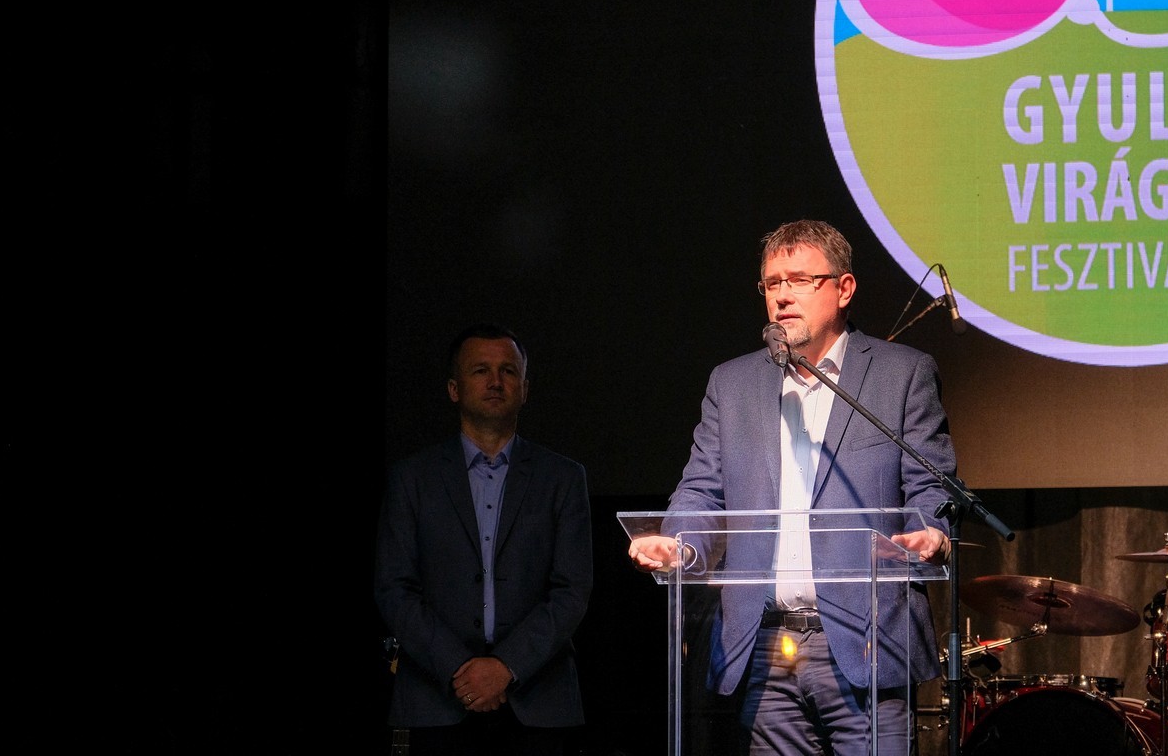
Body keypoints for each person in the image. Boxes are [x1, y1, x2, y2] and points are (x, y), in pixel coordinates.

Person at [628, 219, 955, 754]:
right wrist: (679, 543)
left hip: (867, 641)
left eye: (799, 280)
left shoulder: (901, 374)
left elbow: (932, 487)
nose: (781, 296)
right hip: (765, 648)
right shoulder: (732, 383)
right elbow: (701, 490)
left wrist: (931, 533)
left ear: (843, 289)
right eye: (772, 283)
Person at [376, 322, 593, 756]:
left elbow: (572, 590)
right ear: (454, 389)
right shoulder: (411, 479)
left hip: (538, 703)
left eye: (508, 371)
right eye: (480, 370)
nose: (495, 381)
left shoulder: (563, 478)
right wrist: (460, 669)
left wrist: (506, 667)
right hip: (436, 701)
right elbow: (394, 589)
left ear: (524, 389)